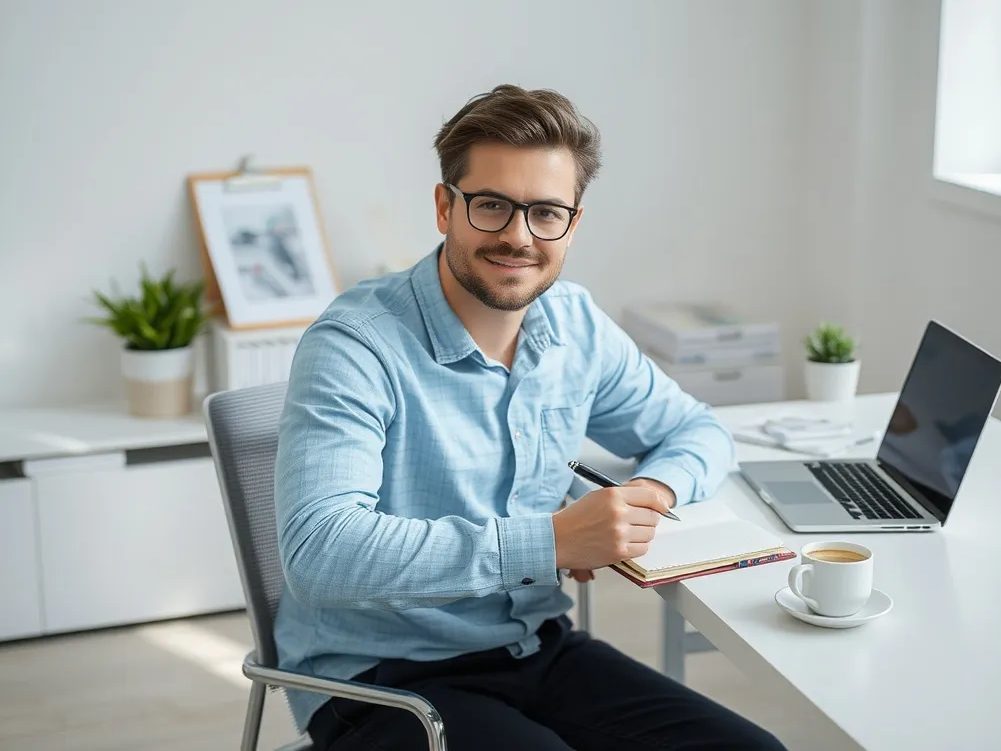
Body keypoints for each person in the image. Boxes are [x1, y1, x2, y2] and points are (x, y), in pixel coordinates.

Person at [274, 84, 785, 750]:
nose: (519, 236)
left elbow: (698, 431)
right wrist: (551, 542)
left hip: (535, 649)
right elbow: (322, 553)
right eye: (491, 206)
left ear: (572, 223)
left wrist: (641, 498)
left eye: (546, 212)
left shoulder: (573, 324)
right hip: (382, 681)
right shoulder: (356, 344)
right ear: (444, 207)